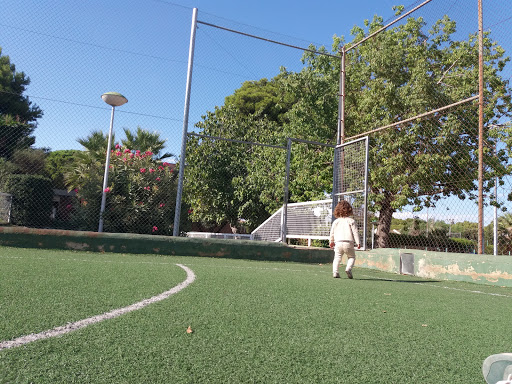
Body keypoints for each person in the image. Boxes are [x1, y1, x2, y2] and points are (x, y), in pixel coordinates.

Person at [329, 200, 361, 279]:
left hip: (338, 243)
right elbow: (355, 232)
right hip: (349, 242)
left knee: (337, 257)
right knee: (351, 257)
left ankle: (335, 272)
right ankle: (348, 268)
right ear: (349, 210)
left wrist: (331, 241)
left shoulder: (336, 222)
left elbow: (332, 232)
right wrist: (358, 242)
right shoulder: (351, 221)